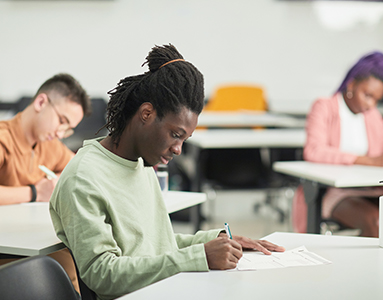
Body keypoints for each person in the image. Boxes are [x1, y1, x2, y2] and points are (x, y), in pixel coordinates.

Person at [49, 44, 285, 300]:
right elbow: (101, 274)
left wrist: (215, 240)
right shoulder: (84, 177)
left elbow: (155, 247)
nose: (178, 149)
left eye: (185, 139)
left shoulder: (140, 161)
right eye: (175, 135)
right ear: (146, 114)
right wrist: (199, 256)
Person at [0, 73, 92, 293]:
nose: (61, 132)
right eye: (62, 121)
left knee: (77, 261)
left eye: (68, 128)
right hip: (11, 251)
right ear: (41, 102)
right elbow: (39, 192)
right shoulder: (4, 138)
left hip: (34, 241)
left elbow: (80, 168)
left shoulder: (48, 142)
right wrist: (34, 192)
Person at [293, 51, 383, 237]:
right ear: (351, 85)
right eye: (367, 95)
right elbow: (314, 151)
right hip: (332, 192)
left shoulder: (372, 116)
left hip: (369, 189)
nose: (371, 104)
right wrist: (363, 160)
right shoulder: (324, 106)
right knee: (375, 220)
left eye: (376, 99)